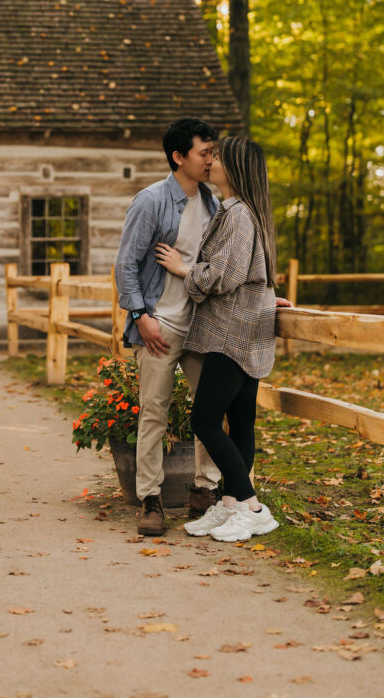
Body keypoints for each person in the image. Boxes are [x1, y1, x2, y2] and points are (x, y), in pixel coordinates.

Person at [155, 135, 288, 542]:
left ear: (236, 168)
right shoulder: (246, 213)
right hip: (247, 326)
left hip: (229, 332)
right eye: (208, 155)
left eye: (218, 157)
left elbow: (224, 276)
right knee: (241, 417)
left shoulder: (238, 215)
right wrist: (265, 293)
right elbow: (249, 272)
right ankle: (230, 504)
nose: (210, 162)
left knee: (206, 419)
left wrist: (183, 269)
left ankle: (250, 505)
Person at [114, 116, 223, 537]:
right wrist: (141, 317)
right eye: (204, 152)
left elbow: (214, 269)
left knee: (209, 411)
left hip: (201, 324)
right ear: (179, 157)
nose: (211, 159)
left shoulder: (214, 204)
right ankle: (151, 499)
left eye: (212, 151)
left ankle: (203, 492)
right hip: (160, 325)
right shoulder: (151, 201)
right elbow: (126, 263)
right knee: (154, 412)